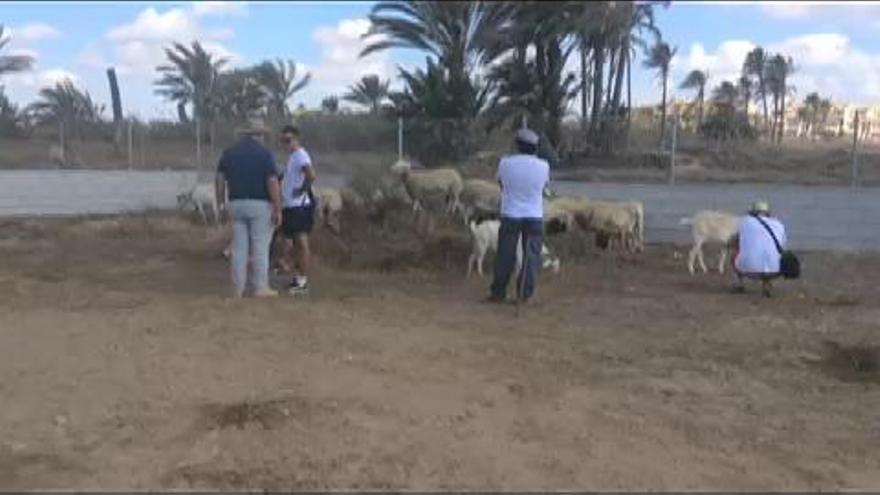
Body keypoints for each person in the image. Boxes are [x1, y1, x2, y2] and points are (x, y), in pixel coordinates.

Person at [215, 116, 282, 298]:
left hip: (235, 203)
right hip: (260, 204)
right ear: (259, 135)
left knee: (239, 248)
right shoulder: (264, 154)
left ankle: (237, 288)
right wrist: (277, 208)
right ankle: (260, 287)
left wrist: (221, 203)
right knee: (260, 247)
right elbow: (272, 181)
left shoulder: (229, 152)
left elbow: (220, 180)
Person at [486, 128, 550, 304]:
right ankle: (525, 294)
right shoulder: (544, 166)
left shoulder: (505, 163)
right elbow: (544, 188)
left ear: (518, 145)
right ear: (535, 147)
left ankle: (498, 292)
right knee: (531, 256)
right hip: (534, 216)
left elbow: (501, 183)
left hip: (510, 214)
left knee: (505, 254)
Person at [279, 125, 317, 295]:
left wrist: (302, 189)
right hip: (290, 205)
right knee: (291, 241)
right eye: (283, 141)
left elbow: (311, 174)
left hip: (298, 206)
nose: (286, 144)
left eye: (288, 140)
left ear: (296, 138)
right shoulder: (293, 156)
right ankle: (297, 276)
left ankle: (303, 281)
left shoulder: (301, 155)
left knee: (302, 242)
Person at [729, 200, 787, 297]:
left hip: (749, 271)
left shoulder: (744, 221)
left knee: (735, 253)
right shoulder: (778, 224)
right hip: (775, 271)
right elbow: (783, 245)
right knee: (771, 254)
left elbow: (733, 241)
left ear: (752, 212)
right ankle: (766, 285)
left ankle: (740, 284)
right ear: (768, 213)